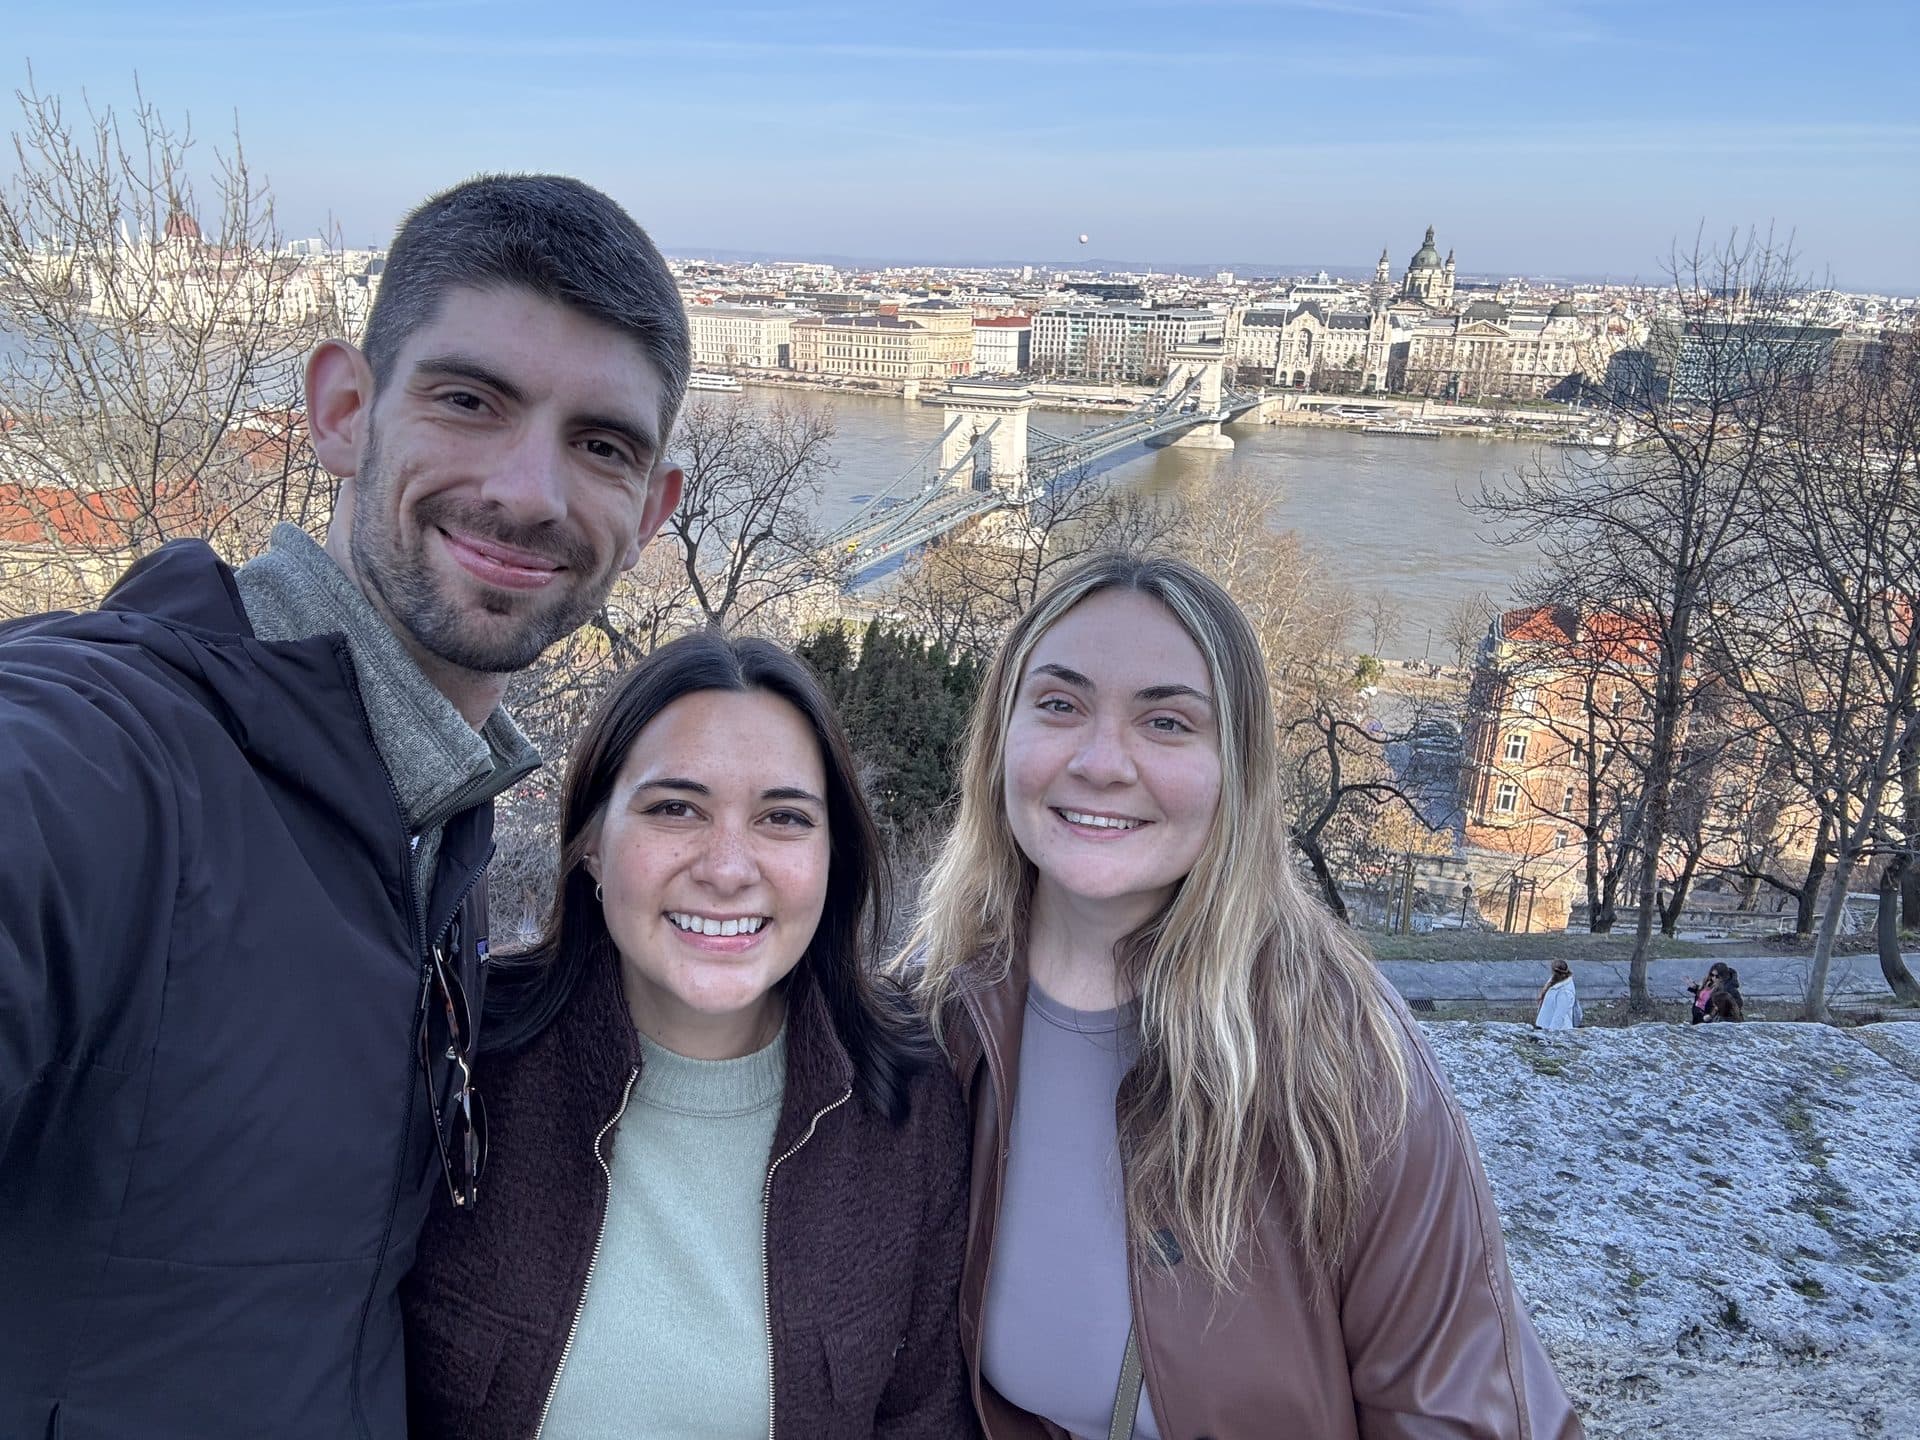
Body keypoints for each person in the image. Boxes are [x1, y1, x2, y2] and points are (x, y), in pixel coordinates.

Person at [0, 175, 689, 1439]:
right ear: (340, 412)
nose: (532, 491)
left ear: (650, 514)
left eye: (601, 444)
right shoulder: (106, 762)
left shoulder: (438, 836)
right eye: (470, 400)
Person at [905, 552, 1583, 1440]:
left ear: (1239, 769)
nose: (1103, 762)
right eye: (1061, 705)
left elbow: (1462, 1413)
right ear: (999, 739)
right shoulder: (932, 1019)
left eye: (1168, 722)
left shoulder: (1344, 1057)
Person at [402, 632, 974, 1439]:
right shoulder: (456, 1057)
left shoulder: (906, 1107)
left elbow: (921, 1417)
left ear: (832, 856)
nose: (729, 867)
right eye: (676, 807)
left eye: (783, 817)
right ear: (592, 842)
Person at [1534, 958, 1582, 1029]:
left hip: (1558, 1030)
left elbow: (1559, 1015)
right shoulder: (1554, 981)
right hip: (1544, 1026)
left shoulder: (1565, 992)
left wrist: (1551, 1034)